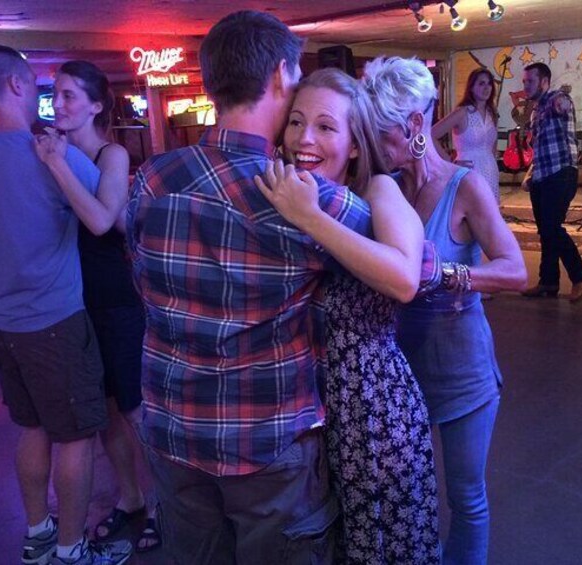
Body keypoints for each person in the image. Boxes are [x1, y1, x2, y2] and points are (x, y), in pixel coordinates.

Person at [126, 11, 374, 564]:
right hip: (269, 442)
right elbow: (412, 267)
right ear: (283, 75)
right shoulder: (307, 198)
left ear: (212, 81)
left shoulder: (152, 179)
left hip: (172, 432)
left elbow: (141, 279)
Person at [0, 45, 132, 565]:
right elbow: (109, 218)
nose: (49, 99)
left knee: (32, 429)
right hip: (55, 322)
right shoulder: (50, 154)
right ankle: (72, 550)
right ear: (19, 85)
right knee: (75, 438)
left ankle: (39, 534)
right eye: (44, 88)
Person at [254, 67, 441, 563]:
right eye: (295, 122)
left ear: (355, 144)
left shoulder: (379, 189)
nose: (304, 138)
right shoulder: (283, 189)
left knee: (380, 550)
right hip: (302, 417)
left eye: (325, 126)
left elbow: (403, 278)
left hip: (370, 412)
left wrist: (310, 217)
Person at [362, 56, 527, 565]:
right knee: (410, 499)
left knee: (466, 498)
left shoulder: (465, 186)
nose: (374, 147)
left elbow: (515, 271)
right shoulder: (382, 189)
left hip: (461, 373)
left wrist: (449, 275)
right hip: (400, 377)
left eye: (380, 134)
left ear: (414, 125)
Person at [34, 60, 159, 554]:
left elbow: (103, 220)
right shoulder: (51, 153)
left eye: (69, 95)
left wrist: (57, 165)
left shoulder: (112, 156)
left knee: (133, 407)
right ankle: (130, 498)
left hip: (113, 297)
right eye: (55, 94)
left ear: (95, 105)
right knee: (104, 411)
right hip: (70, 299)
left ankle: (162, 504)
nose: (59, 104)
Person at [520, 62, 582, 302]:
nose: (526, 86)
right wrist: (531, 175)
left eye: (530, 81)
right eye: (524, 82)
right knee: (545, 232)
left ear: (544, 81)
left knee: (552, 227)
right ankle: (548, 281)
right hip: (542, 176)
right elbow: (540, 147)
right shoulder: (535, 110)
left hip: (561, 174)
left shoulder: (556, 100)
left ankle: (580, 276)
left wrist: (563, 98)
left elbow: (563, 104)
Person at [431, 68, 500, 203]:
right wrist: (449, 161)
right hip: (469, 170)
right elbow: (431, 134)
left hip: (490, 170)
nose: (486, 88)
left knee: (489, 216)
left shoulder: (492, 113)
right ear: (472, 88)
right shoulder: (462, 113)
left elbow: (492, 145)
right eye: (481, 84)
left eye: (489, 84)